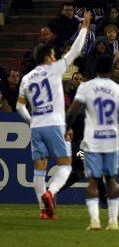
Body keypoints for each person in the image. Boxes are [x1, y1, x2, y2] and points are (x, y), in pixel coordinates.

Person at [16, 13, 91, 219]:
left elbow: (19, 106)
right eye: (53, 54)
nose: (56, 57)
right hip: (55, 124)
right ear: (48, 57)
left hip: (36, 126)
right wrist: (84, 27)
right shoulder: (55, 69)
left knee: (39, 170)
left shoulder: (26, 78)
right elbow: (76, 50)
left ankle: (43, 211)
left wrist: (31, 120)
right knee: (65, 165)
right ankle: (51, 192)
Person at [66, 54, 119, 231]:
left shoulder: (86, 87)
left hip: (92, 141)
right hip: (111, 141)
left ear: (96, 69)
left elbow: (71, 112)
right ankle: (113, 221)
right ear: (112, 70)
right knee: (111, 180)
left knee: (92, 181)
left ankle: (95, 221)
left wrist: (67, 128)